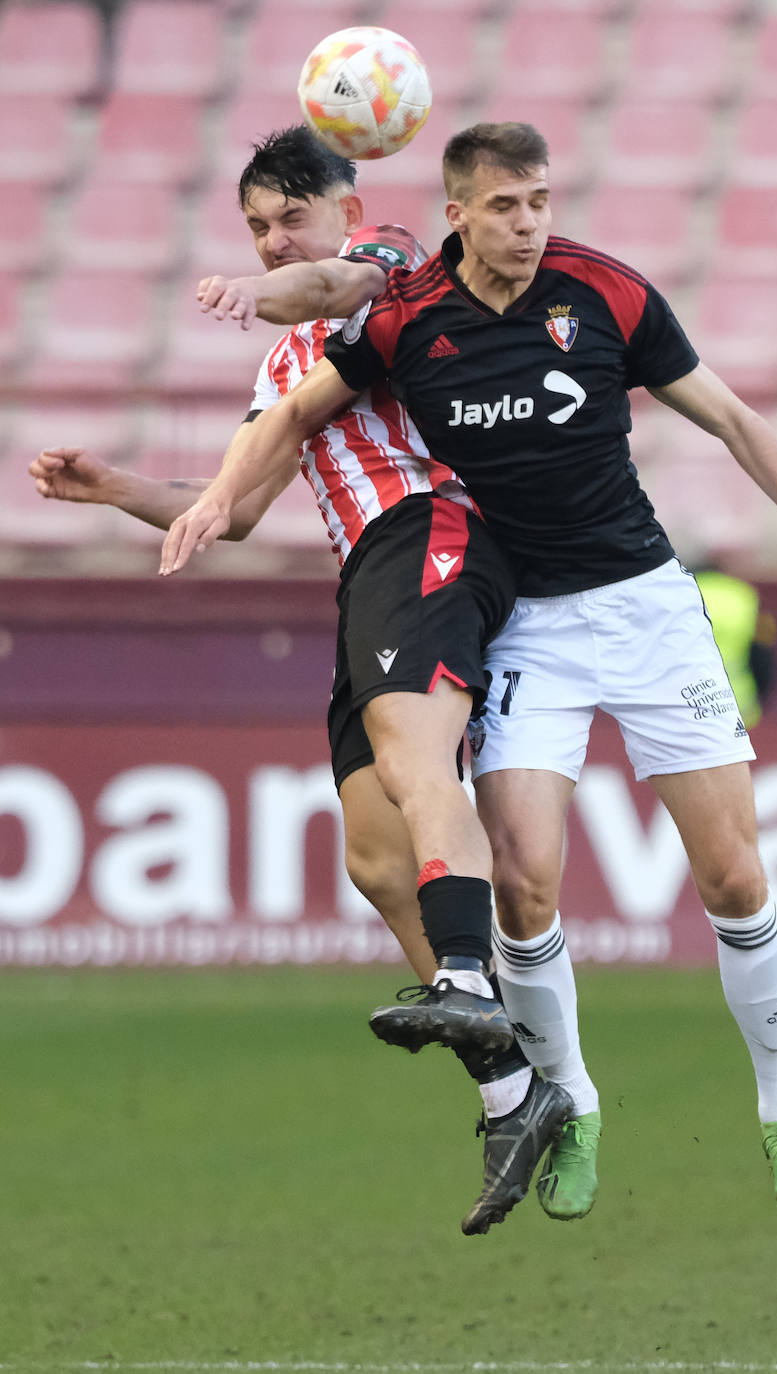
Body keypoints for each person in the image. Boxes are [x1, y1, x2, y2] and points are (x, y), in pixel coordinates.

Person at [159, 121, 777, 1228]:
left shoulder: (606, 294)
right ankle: (576, 1103)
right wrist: (217, 493)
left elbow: (734, 418)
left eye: (540, 201)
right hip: (530, 627)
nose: (529, 224)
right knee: (524, 882)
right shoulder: (411, 321)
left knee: (735, 879)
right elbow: (305, 392)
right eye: (505, 207)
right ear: (459, 213)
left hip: (644, 602)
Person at [30, 126, 595, 1236]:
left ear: (348, 206)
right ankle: (516, 1092)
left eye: (289, 215)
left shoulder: (388, 268)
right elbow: (234, 510)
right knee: (376, 855)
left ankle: (473, 987)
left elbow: (330, 282)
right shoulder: (286, 367)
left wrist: (262, 283)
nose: (273, 237)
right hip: (366, 573)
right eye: (254, 225)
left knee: (412, 754)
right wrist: (115, 489)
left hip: (432, 527)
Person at [694, 561, 777, 729]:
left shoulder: (683, 593)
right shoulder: (743, 594)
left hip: (691, 701)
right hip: (739, 701)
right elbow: (764, 650)